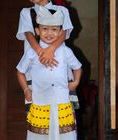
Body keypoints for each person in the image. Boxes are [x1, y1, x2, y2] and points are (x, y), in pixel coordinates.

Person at [16, 6, 82, 140]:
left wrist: (75, 82)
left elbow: (78, 67)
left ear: (60, 32)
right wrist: (26, 90)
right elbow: (20, 71)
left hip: (62, 100)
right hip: (40, 101)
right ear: (37, 31)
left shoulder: (65, 51)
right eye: (45, 29)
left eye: (54, 29)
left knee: (64, 135)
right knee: (40, 135)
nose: (49, 33)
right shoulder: (31, 53)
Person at [16, 0, 73, 70]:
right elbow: (28, 34)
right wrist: (42, 54)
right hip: (36, 61)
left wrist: (51, 49)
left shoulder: (62, 10)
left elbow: (63, 34)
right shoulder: (26, 12)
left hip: (58, 61)